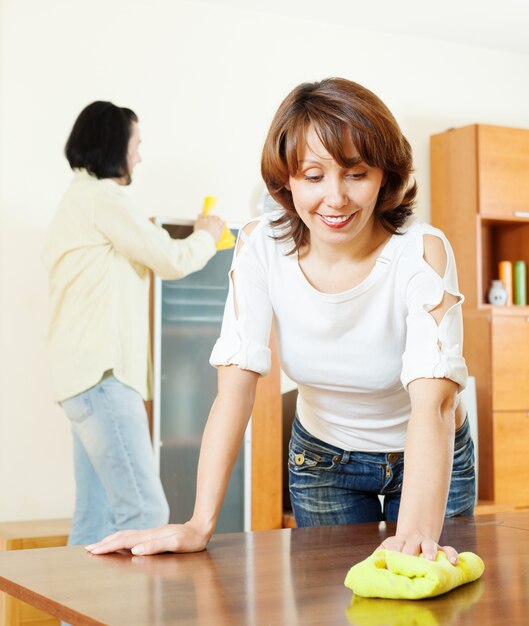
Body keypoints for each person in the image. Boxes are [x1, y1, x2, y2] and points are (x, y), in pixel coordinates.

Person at [86, 79, 475, 562]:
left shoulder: (421, 252)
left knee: (428, 593)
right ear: (286, 179)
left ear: (384, 175)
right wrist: (198, 523)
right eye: (314, 176)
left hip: (433, 453)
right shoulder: (260, 247)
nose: (335, 199)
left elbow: (433, 406)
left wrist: (415, 536)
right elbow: (235, 390)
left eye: (356, 173)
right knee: (335, 604)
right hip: (323, 459)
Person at [43, 101, 225, 546]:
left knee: (95, 519)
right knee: (145, 511)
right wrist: (207, 232)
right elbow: (168, 258)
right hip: (102, 378)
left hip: (79, 380)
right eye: (136, 144)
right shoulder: (103, 198)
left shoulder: (78, 199)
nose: (139, 156)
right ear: (114, 144)